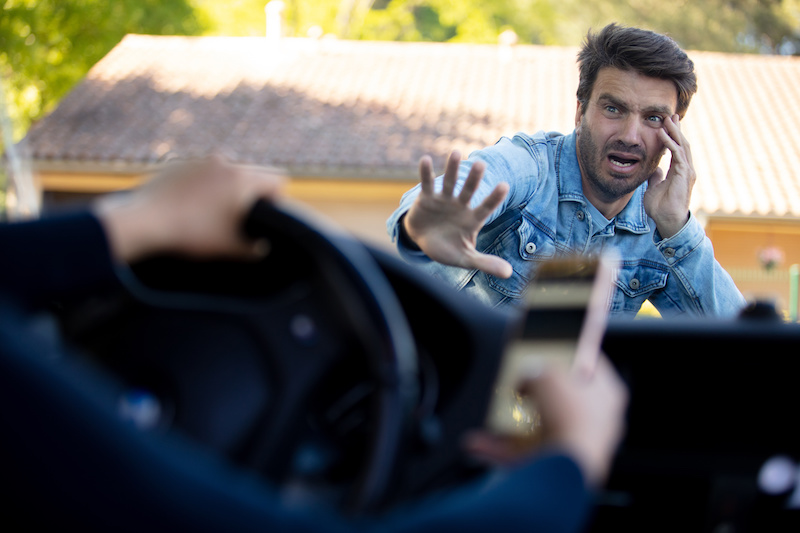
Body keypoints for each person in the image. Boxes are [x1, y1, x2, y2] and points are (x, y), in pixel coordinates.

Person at [0, 155, 627, 531]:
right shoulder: (537, 161)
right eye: (614, 107)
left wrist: (127, 225)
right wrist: (572, 459)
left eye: (658, 116)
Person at [387, 23, 747, 317]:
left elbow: (742, 338)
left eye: (653, 117)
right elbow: (481, 177)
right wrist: (427, 222)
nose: (630, 136)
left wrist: (676, 227)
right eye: (613, 109)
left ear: (674, 133)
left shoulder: (660, 229)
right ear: (580, 111)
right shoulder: (529, 166)